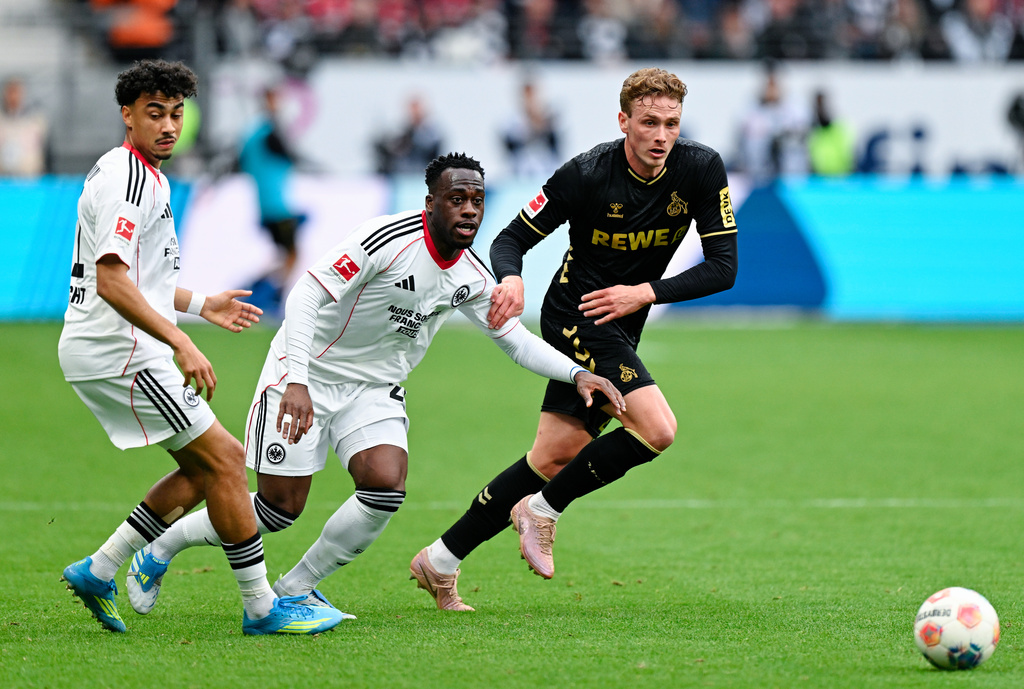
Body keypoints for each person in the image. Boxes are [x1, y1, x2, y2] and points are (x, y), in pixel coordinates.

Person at [123, 152, 625, 617]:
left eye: (477, 201)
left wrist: (578, 373)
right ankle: (158, 550)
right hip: (306, 373)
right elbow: (304, 298)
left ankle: (297, 588)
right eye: (456, 199)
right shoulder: (387, 239)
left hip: (373, 388)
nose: (469, 210)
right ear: (430, 203)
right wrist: (295, 380)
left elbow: (513, 340)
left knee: (385, 485)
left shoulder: (470, 274)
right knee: (278, 510)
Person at [411, 67, 739, 610]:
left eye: (671, 124)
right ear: (624, 121)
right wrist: (512, 276)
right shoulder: (586, 173)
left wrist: (643, 293)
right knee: (657, 429)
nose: (661, 136)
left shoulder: (701, 168)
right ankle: (543, 511)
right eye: (650, 122)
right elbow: (511, 237)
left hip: (623, 317)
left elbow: (724, 268)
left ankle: (441, 558)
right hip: (576, 314)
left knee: (553, 455)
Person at [57, 59, 344, 636]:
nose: (167, 125)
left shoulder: (145, 174)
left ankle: (101, 567)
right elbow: (111, 282)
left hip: (120, 345)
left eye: (176, 114)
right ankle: (262, 608)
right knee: (226, 462)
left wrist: (199, 303)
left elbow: (141, 279)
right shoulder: (127, 181)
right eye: (154, 113)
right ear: (127, 116)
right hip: (121, 352)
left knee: (206, 466)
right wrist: (182, 341)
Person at [238, 85, 308, 315]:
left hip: (263, 206)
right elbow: (292, 155)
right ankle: (269, 294)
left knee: (284, 255)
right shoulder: (271, 133)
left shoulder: (251, 135)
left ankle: (257, 287)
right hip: (278, 207)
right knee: (293, 255)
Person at [0, 76, 49, 176]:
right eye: (10, 92)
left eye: (17, 92)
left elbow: (46, 152)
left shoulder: (36, 121)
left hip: (30, 181)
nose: (13, 97)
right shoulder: (2, 121)